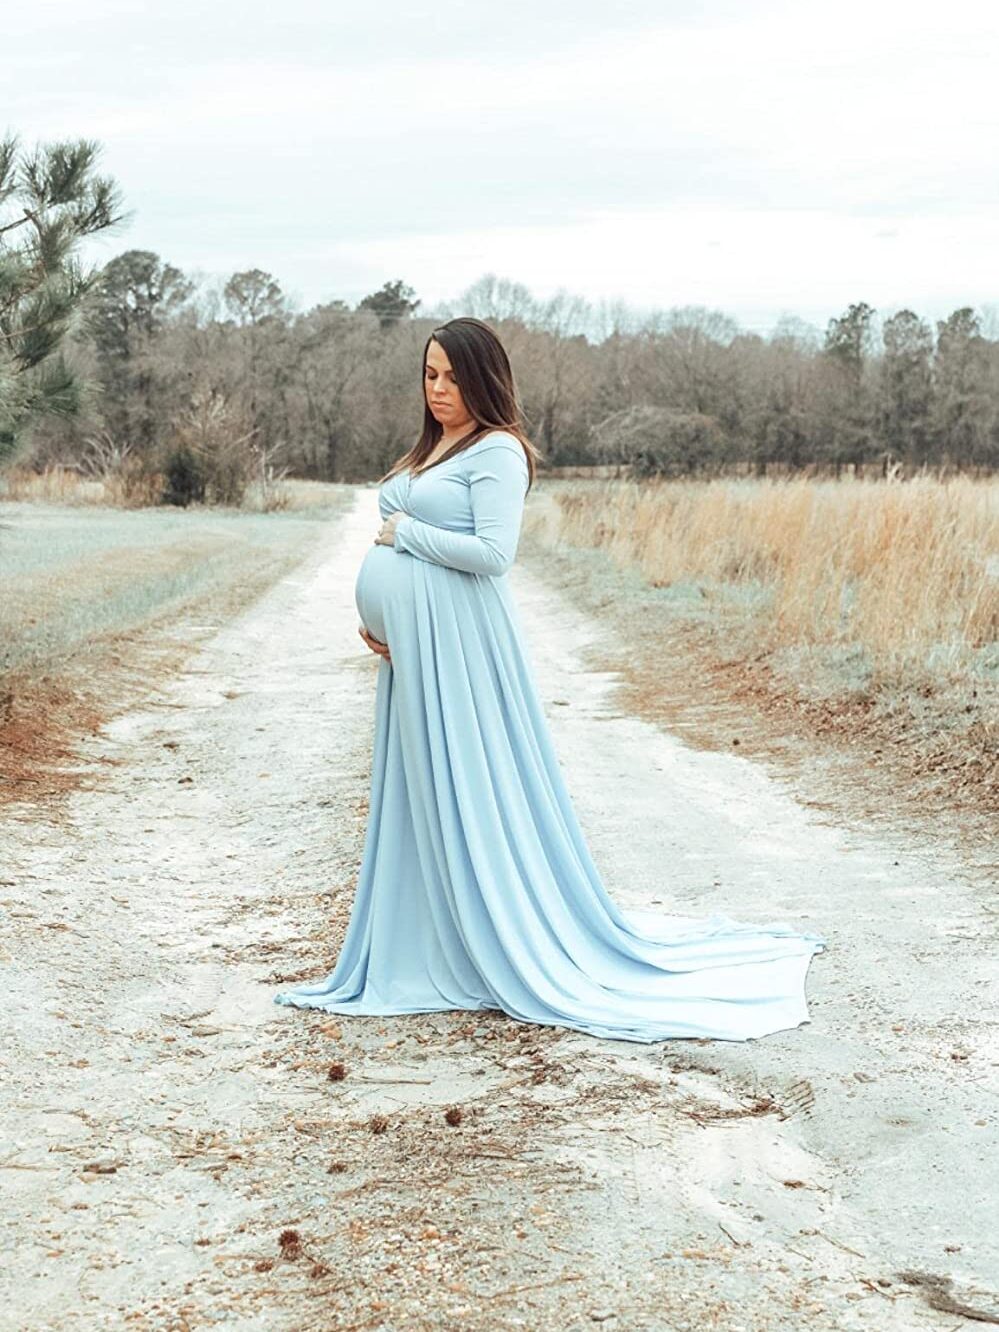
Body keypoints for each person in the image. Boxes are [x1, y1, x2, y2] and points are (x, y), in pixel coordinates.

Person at [273, 317, 826, 1043]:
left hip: (464, 648)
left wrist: (401, 535)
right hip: (419, 654)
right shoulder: (434, 445)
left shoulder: (498, 450)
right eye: (429, 374)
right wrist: (386, 621)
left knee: (470, 783)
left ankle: (491, 931)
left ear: (484, 380)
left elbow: (492, 554)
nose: (438, 389)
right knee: (421, 791)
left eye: (452, 377)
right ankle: (431, 935)